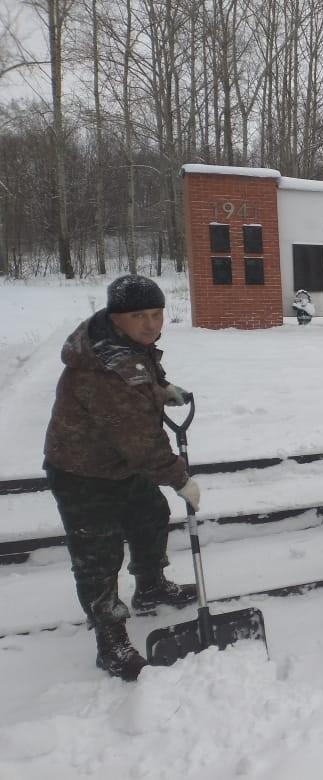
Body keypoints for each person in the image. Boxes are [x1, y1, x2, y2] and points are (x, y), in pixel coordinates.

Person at [43, 274, 201, 681]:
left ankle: (150, 586)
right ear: (116, 318)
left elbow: (141, 381)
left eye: (156, 313)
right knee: (98, 556)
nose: (151, 324)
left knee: (150, 514)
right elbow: (141, 442)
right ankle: (110, 640)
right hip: (83, 471)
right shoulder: (105, 368)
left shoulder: (128, 346)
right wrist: (180, 478)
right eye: (139, 316)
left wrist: (160, 388)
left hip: (120, 464)